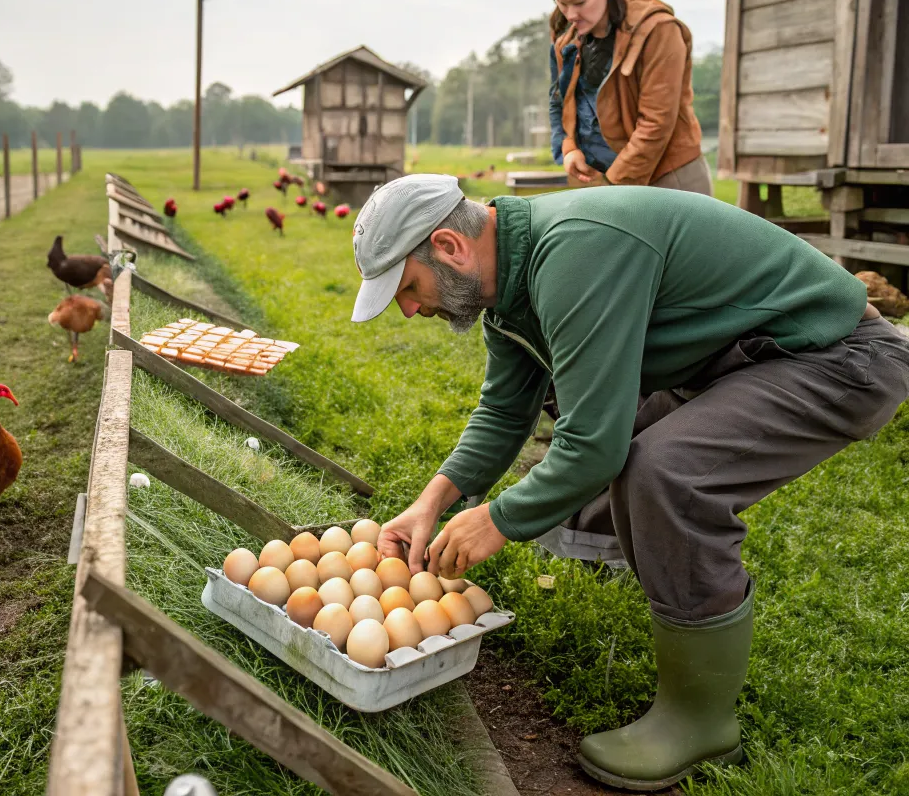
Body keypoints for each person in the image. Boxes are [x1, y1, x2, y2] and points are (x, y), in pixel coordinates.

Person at [349, 173, 909, 791]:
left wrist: (498, 521)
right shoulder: (509, 293)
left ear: (450, 247)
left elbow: (594, 446)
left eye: (407, 287)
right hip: (744, 359)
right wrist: (432, 502)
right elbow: (506, 412)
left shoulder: (576, 250)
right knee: (623, 446)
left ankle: (700, 723)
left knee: (665, 473)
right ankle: (654, 574)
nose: (408, 308)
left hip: (834, 356)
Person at [547, 0, 713, 194]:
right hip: (601, 183)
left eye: (580, 3)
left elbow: (655, 123)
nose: (571, 14)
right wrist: (569, 147)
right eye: (562, 3)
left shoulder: (658, 31)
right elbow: (559, 102)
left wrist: (613, 184)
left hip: (666, 180)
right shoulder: (567, 39)